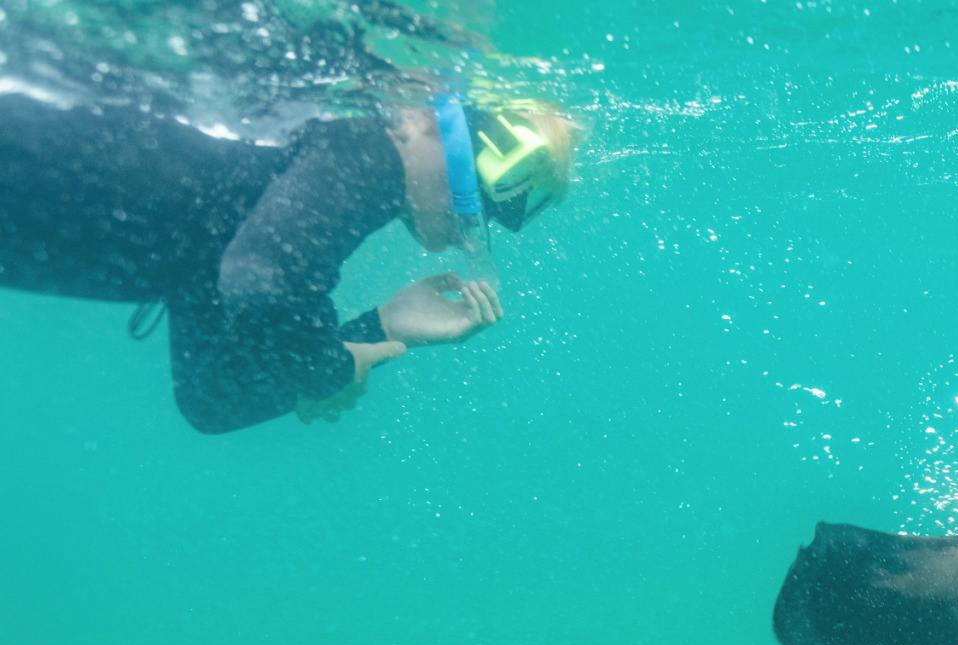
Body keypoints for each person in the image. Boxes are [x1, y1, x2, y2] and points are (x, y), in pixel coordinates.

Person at [0, 86, 580, 432]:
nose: (467, 226)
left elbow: (213, 397)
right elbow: (264, 283)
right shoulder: (366, 146)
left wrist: (378, 328)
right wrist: (325, 370)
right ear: (434, 125)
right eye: (477, 196)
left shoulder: (256, 198)